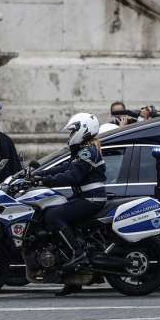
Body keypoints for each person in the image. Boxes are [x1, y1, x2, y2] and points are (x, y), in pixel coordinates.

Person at [33, 113, 106, 296]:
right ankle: (73, 279)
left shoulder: (88, 151)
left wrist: (44, 181)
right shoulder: (83, 150)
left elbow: (72, 176)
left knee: (53, 215)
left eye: (72, 130)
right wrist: (38, 174)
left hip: (91, 199)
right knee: (54, 212)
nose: (70, 134)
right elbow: (64, 168)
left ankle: (77, 253)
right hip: (84, 197)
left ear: (84, 129)